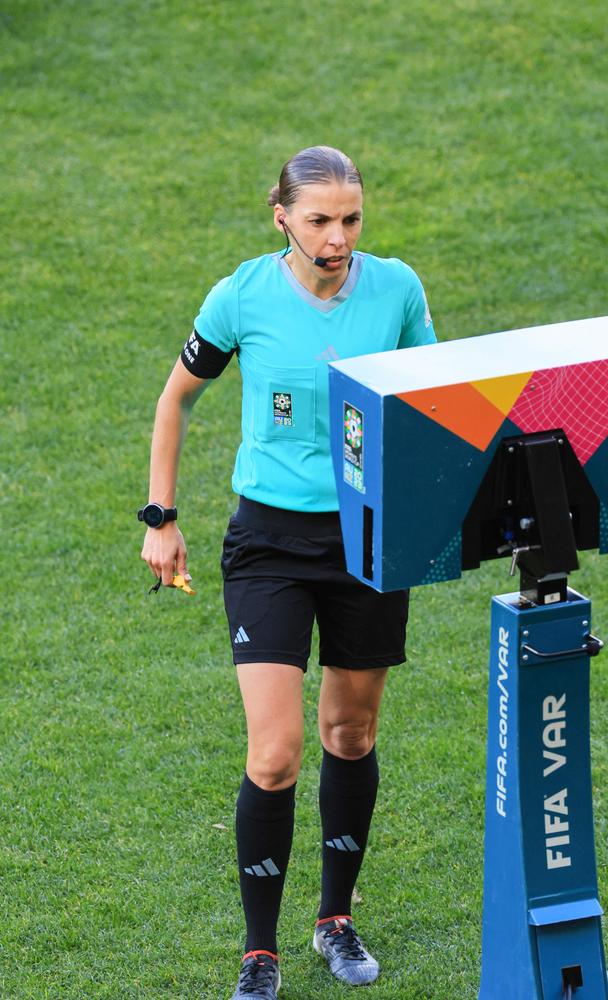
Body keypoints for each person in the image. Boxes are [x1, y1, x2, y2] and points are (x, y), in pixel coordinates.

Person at [140, 145, 436, 999]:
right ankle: (259, 950)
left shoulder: (396, 290)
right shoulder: (242, 295)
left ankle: (335, 920)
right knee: (274, 753)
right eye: (319, 220)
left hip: (368, 541)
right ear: (281, 217)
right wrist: (161, 518)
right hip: (268, 544)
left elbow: (429, 397)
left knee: (351, 734)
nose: (337, 236)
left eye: (351, 219)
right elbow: (177, 399)